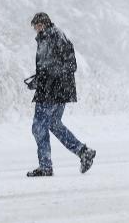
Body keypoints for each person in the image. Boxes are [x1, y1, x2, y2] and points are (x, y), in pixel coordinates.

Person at [25, 12, 96, 177]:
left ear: (44, 23)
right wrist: (38, 80)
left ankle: (45, 166)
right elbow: (48, 66)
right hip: (54, 89)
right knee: (54, 124)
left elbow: (70, 64)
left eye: (37, 25)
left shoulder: (55, 36)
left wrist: (49, 77)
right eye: (34, 27)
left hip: (53, 91)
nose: (36, 29)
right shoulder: (45, 37)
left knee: (38, 126)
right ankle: (83, 152)